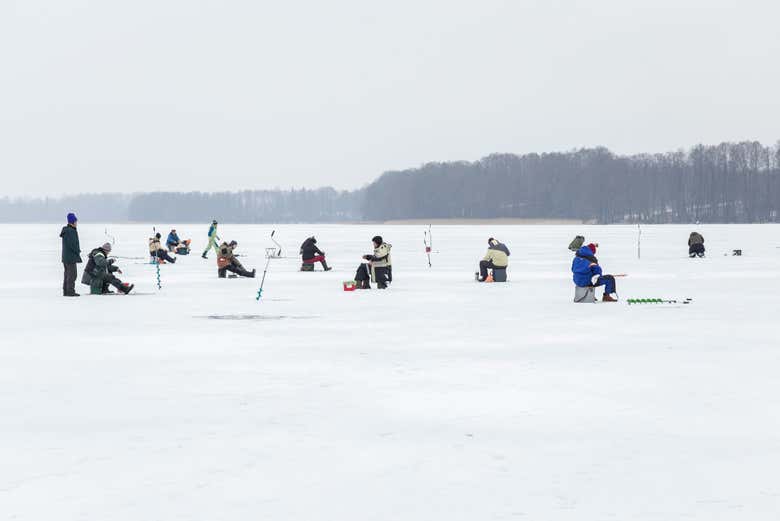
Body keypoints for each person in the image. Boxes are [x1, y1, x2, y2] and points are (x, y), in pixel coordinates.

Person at [59, 212, 82, 297]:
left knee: (67, 274)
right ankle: (70, 291)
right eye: (75, 221)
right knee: (72, 275)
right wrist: (78, 251)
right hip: (70, 257)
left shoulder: (67, 230)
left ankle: (66, 291)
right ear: (72, 222)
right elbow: (72, 244)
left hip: (66, 257)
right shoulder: (70, 231)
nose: (76, 223)